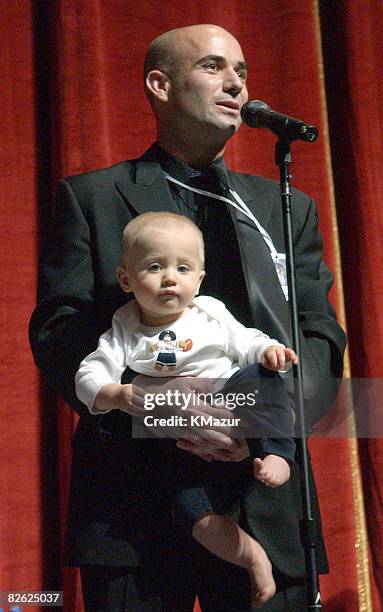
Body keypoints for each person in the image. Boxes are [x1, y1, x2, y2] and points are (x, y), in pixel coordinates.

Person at [29, 23, 346, 611]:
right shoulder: (94, 198)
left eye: (242, 72)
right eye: (213, 67)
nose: (236, 84)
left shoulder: (285, 207)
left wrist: (260, 418)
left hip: (266, 501)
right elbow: (59, 332)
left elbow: (320, 337)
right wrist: (164, 412)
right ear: (160, 84)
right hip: (133, 506)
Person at [75, 211, 299, 607]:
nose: (169, 278)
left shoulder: (209, 311)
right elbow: (90, 371)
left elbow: (246, 340)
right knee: (191, 513)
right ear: (126, 278)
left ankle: (276, 452)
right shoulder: (125, 324)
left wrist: (268, 350)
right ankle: (251, 557)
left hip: (231, 404)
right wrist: (118, 395)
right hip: (173, 444)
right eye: (154, 267)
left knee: (260, 378)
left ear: (198, 279)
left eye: (182, 268)